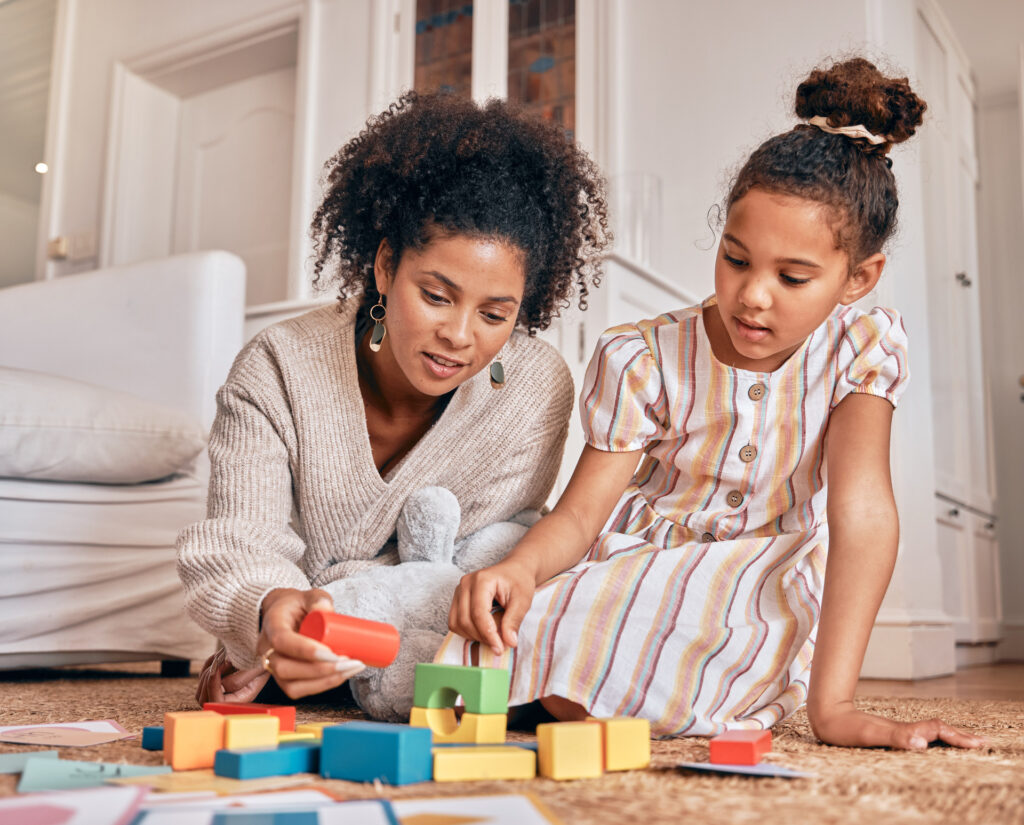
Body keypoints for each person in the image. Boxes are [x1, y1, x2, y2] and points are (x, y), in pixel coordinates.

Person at [443, 57, 986, 751]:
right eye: (735, 259)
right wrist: (520, 568)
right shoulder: (642, 356)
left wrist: (837, 704)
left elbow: (863, 510)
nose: (753, 295)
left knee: (661, 656)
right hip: (634, 558)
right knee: (506, 632)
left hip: (753, 572)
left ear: (858, 279)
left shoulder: (861, 348)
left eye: (792, 276)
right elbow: (581, 513)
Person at [176, 90, 610, 705]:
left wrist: (340, 594)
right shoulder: (279, 367)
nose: (460, 336)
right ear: (385, 266)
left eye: (494, 314)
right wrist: (272, 608)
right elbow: (238, 541)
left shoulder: (535, 388)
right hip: (311, 640)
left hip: (426, 650)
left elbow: (472, 564)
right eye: (436, 295)